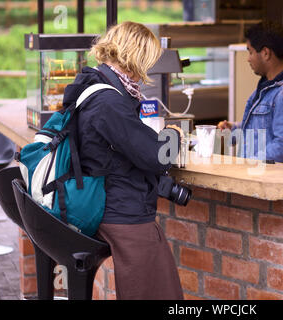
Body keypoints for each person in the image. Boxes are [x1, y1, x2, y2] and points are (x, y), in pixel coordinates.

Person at [62, 21, 183, 300]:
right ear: (136, 57)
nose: (147, 70)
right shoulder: (109, 101)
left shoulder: (95, 84)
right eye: (147, 60)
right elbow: (156, 157)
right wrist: (173, 135)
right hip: (122, 210)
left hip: (107, 202)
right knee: (155, 291)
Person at [218, 21, 283, 164]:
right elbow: (263, 129)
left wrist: (248, 165)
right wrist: (234, 129)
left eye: (250, 51)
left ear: (266, 53)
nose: (248, 58)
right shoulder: (267, 86)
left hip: (268, 181)